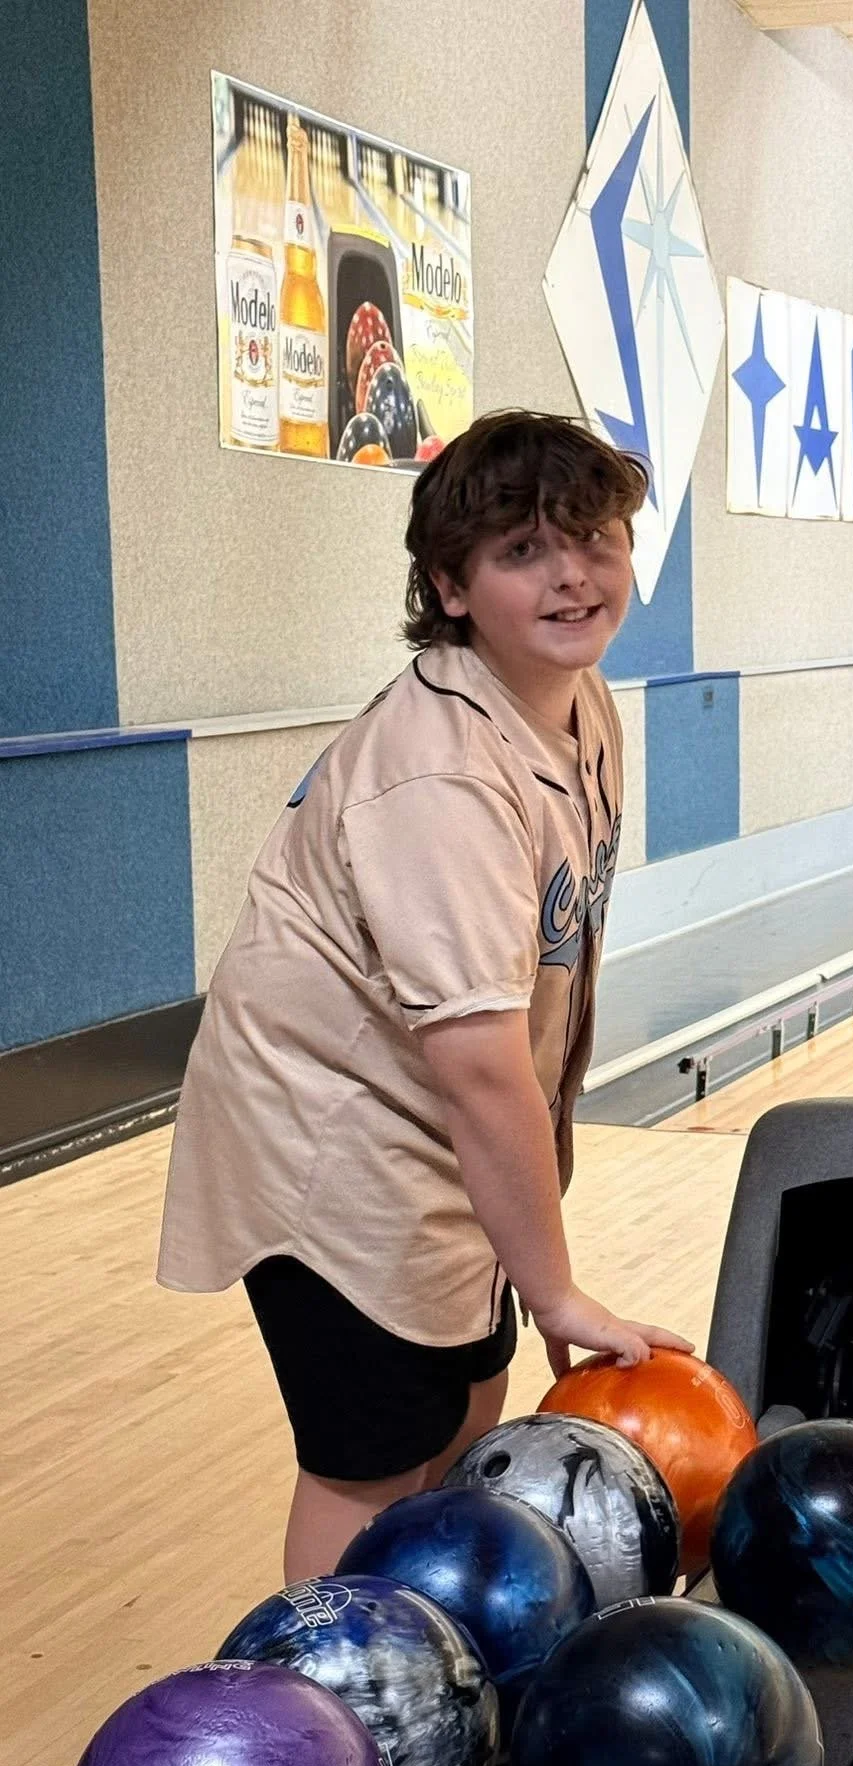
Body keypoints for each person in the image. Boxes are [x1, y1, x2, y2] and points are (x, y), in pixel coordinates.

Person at [157, 409, 691, 1580]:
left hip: (421, 1127)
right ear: (450, 586)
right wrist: (555, 1285)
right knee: (371, 1454)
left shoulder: (579, 705)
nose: (572, 575)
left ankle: (435, 1660)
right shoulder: (440, 772)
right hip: (326, 1135)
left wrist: (533, 1247)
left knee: (466, 1400)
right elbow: (482, 1062)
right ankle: (326, 1709)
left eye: (595, 538)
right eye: (522, 553)